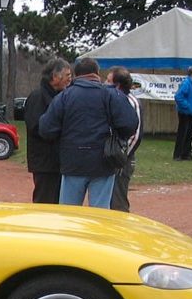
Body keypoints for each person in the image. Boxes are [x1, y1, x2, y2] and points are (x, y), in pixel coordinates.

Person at [38, 57, 138, 209]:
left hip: (72, 162)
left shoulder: (64, 97)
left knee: (69, 213)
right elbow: (130, 124)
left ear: (76, 74)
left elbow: (46, 128)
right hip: (103, 162)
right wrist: (117, 136)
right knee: (100, 214)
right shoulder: (110, 95)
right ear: (97, 74)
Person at [24, 57, 72, 203]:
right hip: (45, 162)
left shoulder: (61, 96)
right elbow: (36, 127)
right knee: (45, 200)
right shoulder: (37, 97)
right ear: (54, 77)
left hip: (59, 161)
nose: (70, 79)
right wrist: (60, 130)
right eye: (67, 76)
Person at [106, 67, 142, 212]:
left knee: (117, 201)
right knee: (106, 199)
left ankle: (121, 231)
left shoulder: (131, 102)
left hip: (121, 158)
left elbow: (136, 134)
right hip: (110, 157)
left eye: (108, 81)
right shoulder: (110, 99)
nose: (104, 83)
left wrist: (121, 155)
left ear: (118, 85)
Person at [173, 66, 192, 161]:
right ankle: (178, 154)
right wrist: (187, 106)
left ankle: (186, 153)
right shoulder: (187, 83)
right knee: (183, 133)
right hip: (185, 112)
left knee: (190, 133)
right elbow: (178, 96)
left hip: (191, 113)